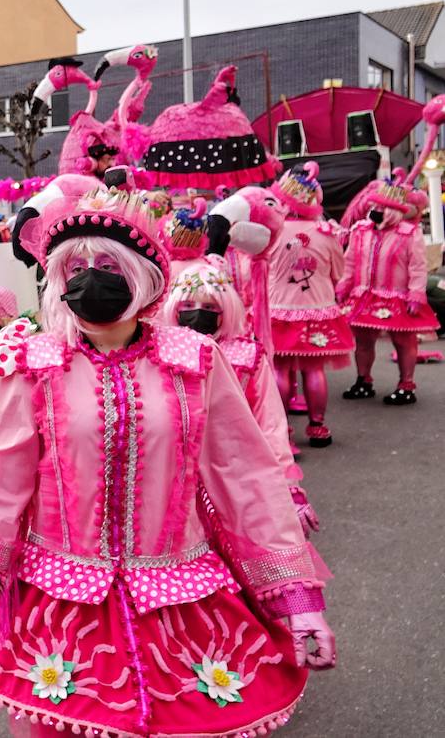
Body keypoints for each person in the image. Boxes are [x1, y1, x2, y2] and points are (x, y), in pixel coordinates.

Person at [0, 184, 334, 738]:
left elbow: (247, 479)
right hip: (62, 603)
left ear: (142, 275)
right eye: (76, 269)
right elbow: (0, 479)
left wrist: (297, 600)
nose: (91, 280)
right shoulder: (33, 365)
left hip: (177, 597)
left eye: (108, 265)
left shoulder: (195, 361)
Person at [157, 256, 320, 537]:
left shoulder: (247, 356)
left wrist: (287, 488)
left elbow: (270, 425)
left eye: (209, 307)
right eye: (188, 306)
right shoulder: (158, 353)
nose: (198, 313)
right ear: (174, 308)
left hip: (236, 475)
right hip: (171, 476)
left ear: (226, 309)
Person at [264, 164, 353, 446]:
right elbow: (338, 271)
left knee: (279, 371)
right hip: (318, 309)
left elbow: (256, 272)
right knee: (314, 371)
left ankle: (283, 431)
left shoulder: (271, 232)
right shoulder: (327, 232)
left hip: (278, 311)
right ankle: (318, 427)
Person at [340, 172, 440, 404]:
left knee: (404, 341)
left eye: (383, 206)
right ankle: (363, 380)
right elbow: (351, 261)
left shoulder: (409, 233)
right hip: (364, 294)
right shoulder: (361, 230)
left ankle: (406, 385)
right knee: (363, 341)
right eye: (375, 205)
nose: (377, 210)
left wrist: (416, 294)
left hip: (398, 296)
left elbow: (418, 266)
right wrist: (344, 285)